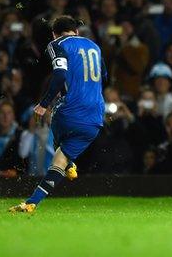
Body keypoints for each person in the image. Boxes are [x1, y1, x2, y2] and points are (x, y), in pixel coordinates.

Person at [9, 16, 105, 213]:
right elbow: (104, 76)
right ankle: (31, 203)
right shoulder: (94, 46)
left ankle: (68, 164)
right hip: (95, 117)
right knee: (59, 161)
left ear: (54, 33)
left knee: (56, 120)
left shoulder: (56, 44)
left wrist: (43, 104)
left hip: (69, 111)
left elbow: (60, 73)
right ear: (76, 31)